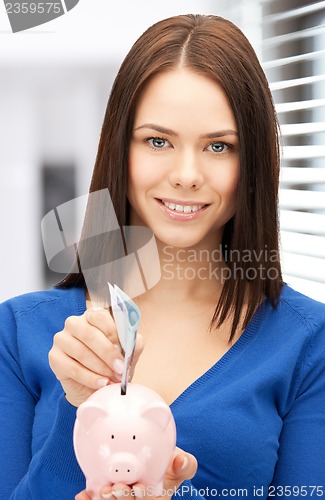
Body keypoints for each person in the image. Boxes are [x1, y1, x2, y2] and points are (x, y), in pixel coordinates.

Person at [0, 13, 324, 500]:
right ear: (120, 148)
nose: (186, 174)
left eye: (219, 146)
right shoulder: (16, 334)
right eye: (158, 141)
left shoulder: (308, 346)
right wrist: (84, 409)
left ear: (253, 160)